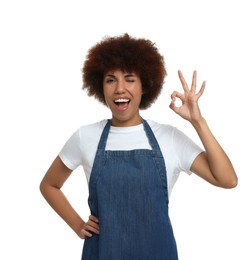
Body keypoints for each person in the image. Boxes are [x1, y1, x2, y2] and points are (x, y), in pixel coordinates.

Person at [40, 33, 237, 259]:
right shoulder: (86, 137)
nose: (120, 89)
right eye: (111, 80)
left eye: (130, 79)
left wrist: (197, 122)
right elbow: (49, 185)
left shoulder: (168, 137)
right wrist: (77, 225)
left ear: (144, 86)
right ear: (100, 87)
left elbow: (227, 179)